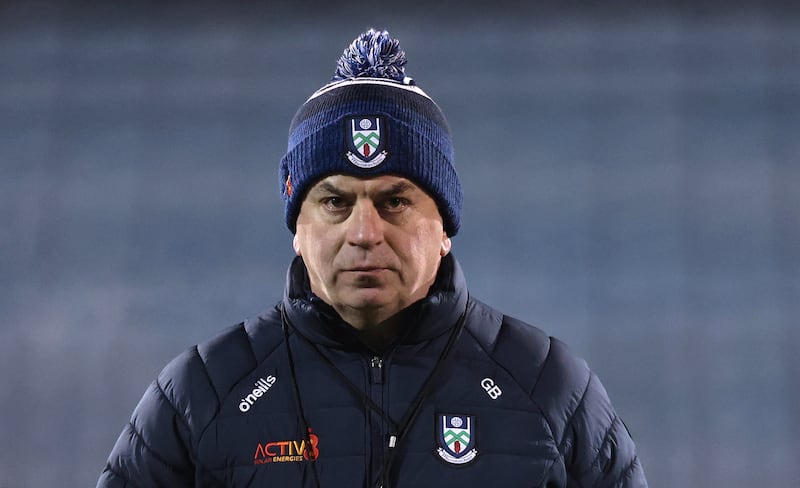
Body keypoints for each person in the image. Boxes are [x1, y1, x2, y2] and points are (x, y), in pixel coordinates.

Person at [97, 28, 647, 488]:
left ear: (445, 226)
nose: (364, 233)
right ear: (297, 226)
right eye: (335, 202)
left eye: (395, 201)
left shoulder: (551, 390)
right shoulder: (201, 394)